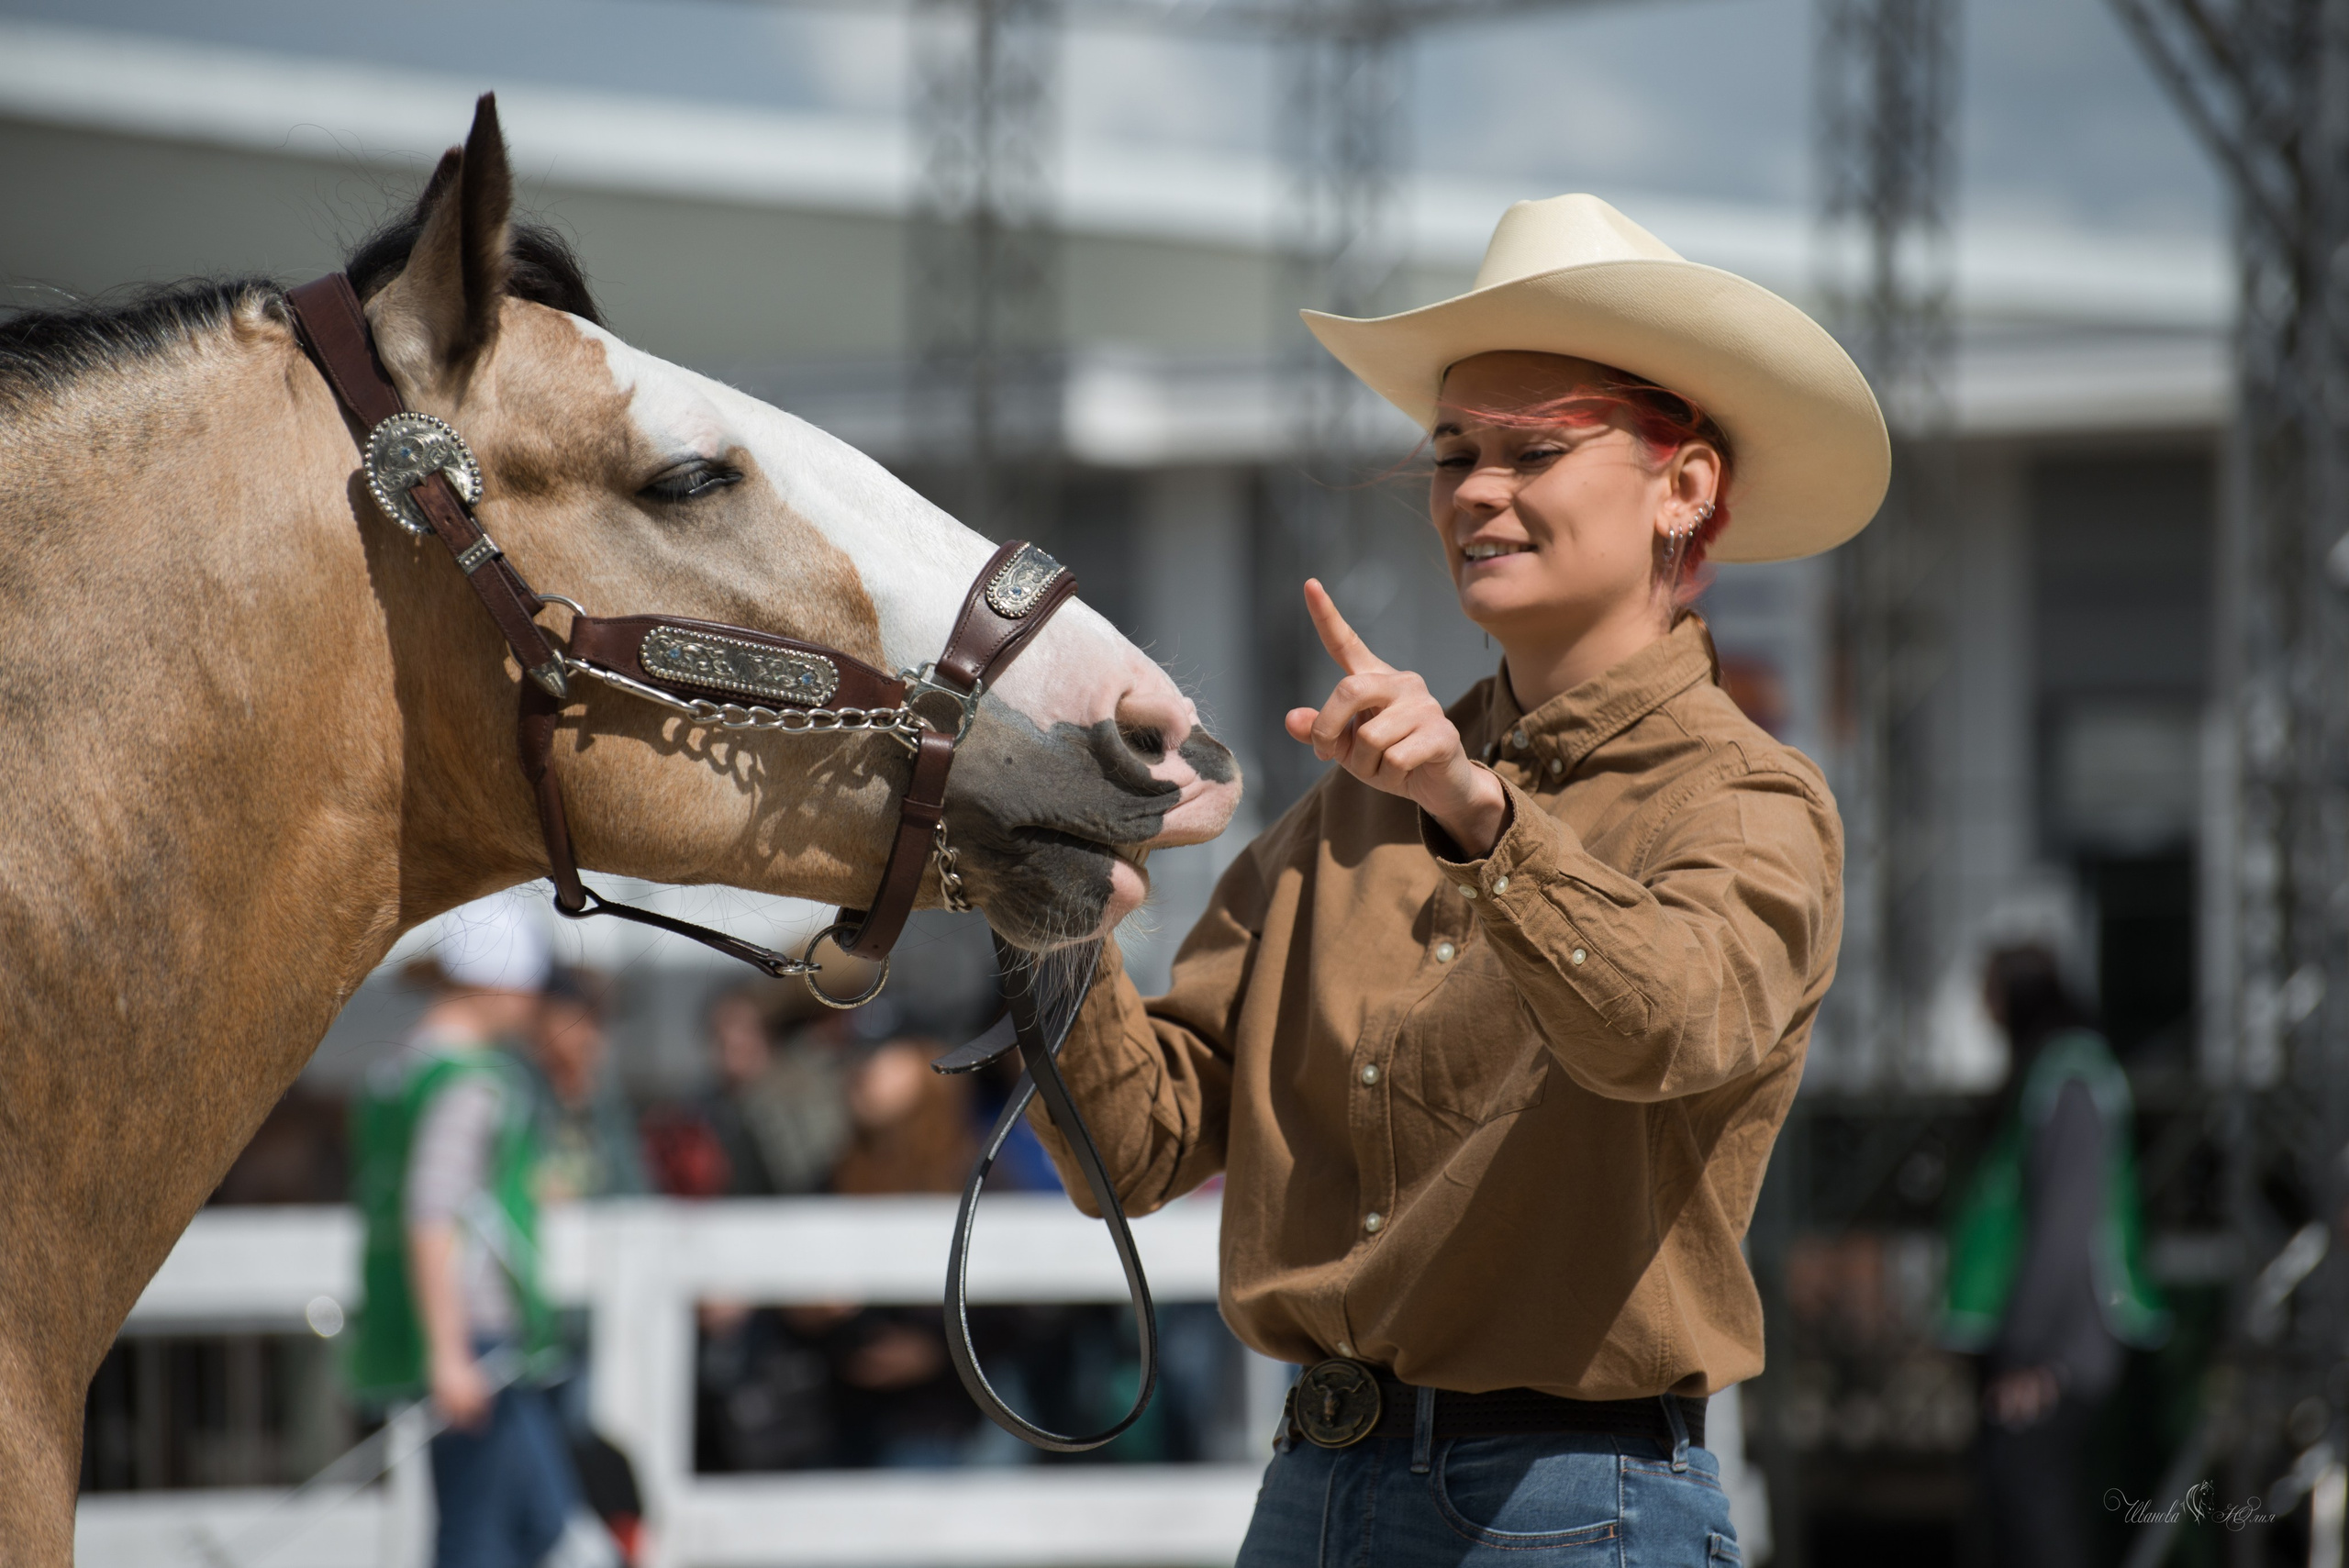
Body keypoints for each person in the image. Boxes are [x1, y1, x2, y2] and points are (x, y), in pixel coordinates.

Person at [1025, 194, 1887, 1562]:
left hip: (1574, 1502)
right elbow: (1137, 1152)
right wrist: (1054, 917)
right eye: (1452, 452)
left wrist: (1481, 819)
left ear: (1687, 484)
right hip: (1317, 1488)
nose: (1477, 489)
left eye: (1535, 449)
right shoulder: (1351, 808)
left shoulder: (1750, 799)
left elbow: (1662, 1026)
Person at [348, 897, 581, 1568]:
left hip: (423, 1319)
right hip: (473, 1329)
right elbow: (432, 1212)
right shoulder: (471, 1080)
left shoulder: (398, 1070)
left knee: (530, 1516)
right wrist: (450, 1352)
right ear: (497, 984)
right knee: (483, 1530)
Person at [1943, 945, 2167, 1568]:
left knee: (2034, 1511)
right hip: (2048, 1338)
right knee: (2017, 1511)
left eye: (1987, 992)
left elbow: (2066, 1225)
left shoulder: (2068, 1073)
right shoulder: (2049, 1071)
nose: (1982, 1011)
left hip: (2057, 1345)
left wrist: (2031, 1350)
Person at [525, 965, 647, 1203]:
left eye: (598, 1023)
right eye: (581, 1019)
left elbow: (635, 1191)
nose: (591, 1036)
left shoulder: (606, 1103)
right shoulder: (516, 1090)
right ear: (541, 1020)